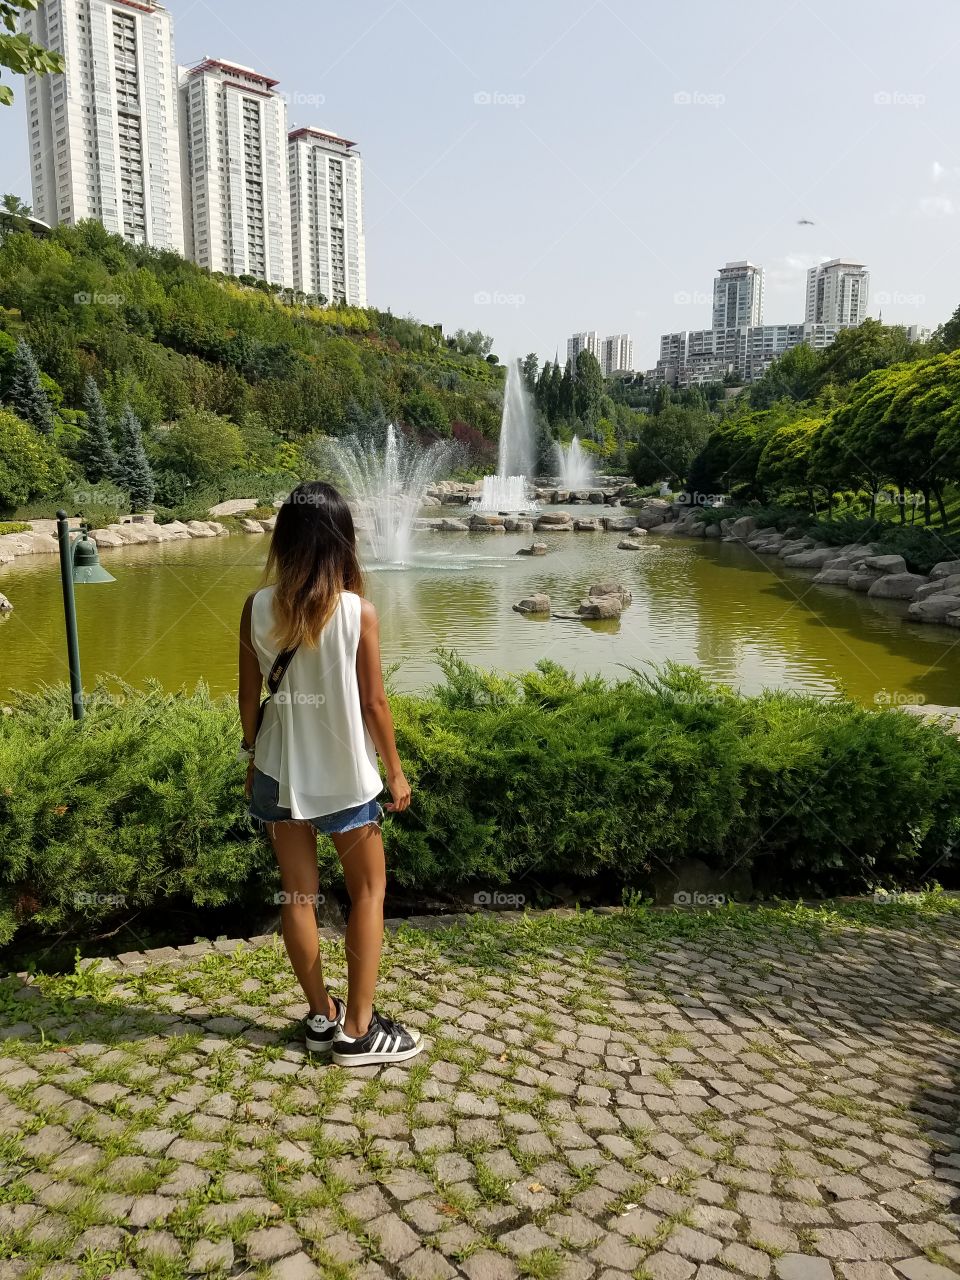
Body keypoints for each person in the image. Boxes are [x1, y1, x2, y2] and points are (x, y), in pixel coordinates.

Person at [238, 481, 422, 1066]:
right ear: (342, 539)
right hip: (345, 777)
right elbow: (375, 705)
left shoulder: (256, 606)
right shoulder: (356, 612)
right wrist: (395, 773)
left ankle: (321, 1019)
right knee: (369, 890)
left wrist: (252, 759)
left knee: (298, 894)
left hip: (277, 772)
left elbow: (247, 699)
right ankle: (360, 1032)